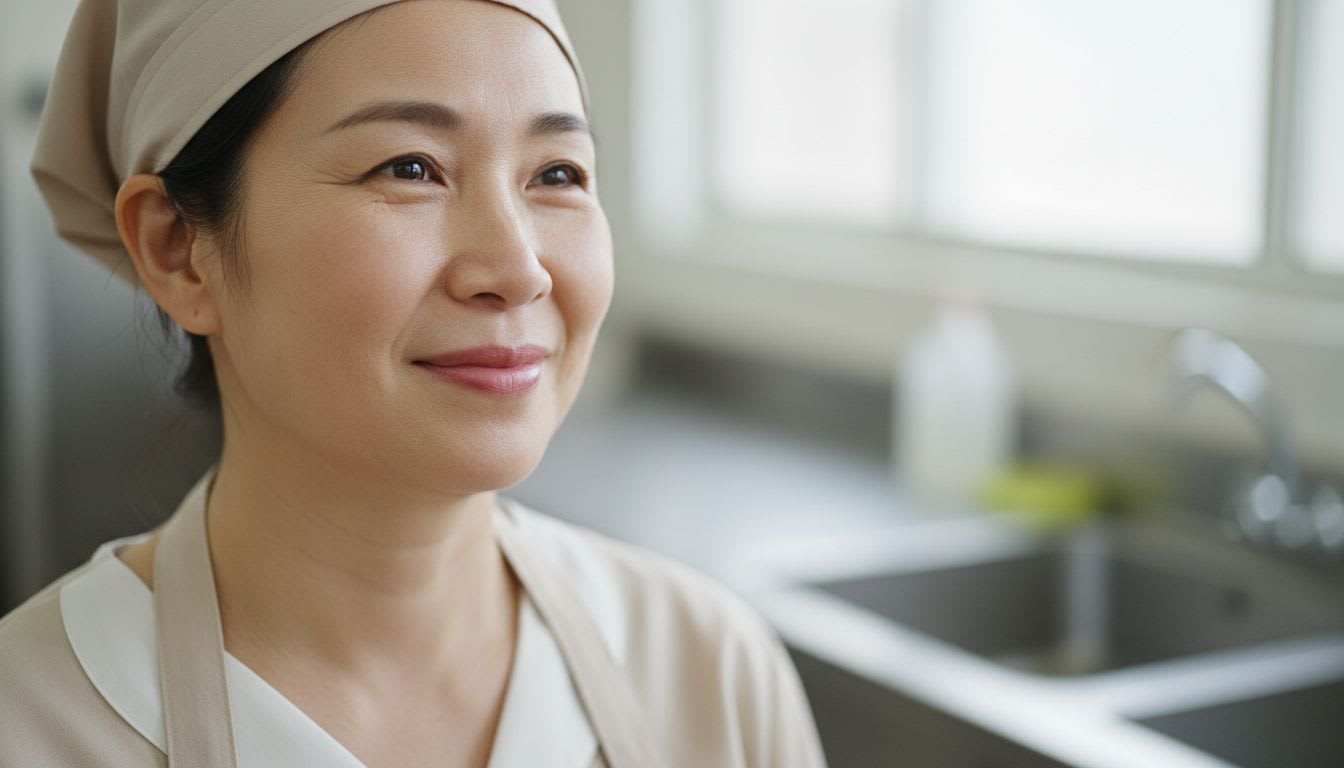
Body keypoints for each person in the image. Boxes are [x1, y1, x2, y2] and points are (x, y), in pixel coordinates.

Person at [0, 1, 828, 766]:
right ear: (179, 249)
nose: (517, 269)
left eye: (558, 175)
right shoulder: (32, 724)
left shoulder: (708, 673)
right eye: (409, 167)